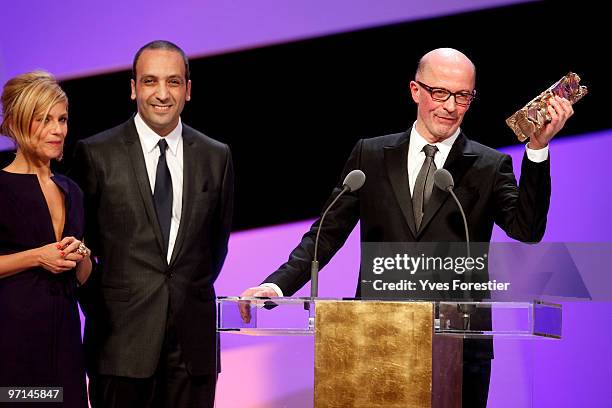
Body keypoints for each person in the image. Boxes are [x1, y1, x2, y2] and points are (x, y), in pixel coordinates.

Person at [240, 48, 573, 407]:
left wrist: (537, 149)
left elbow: (527, 229)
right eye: (440, 92)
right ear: (416, 90)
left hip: (460, 344)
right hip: (377, 336)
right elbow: (327, 234)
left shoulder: (489, 166)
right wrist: (277, 284)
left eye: (463, 96)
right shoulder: (371, 155)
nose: (450, 106)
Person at [72, 40, 233, 408]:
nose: (162, 94)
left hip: (192, 349)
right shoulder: (95, 154)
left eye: (173, 82)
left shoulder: (216, 156)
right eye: (150, 81)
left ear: (188, 90)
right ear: (133, 88)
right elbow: (81, 245)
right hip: (119, 344)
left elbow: (215, 248)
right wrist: (107, 308)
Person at [0, 71, 92, 408]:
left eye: (62, 119)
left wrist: (81, 255)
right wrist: (37, 256)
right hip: (13, 343)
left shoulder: (72, 191)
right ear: (18, 123)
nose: (58, 130)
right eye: (44, 120)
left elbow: (82, 278)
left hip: (65, 341)